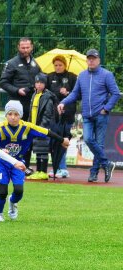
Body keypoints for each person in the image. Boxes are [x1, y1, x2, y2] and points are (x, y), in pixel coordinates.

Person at [0, 100, 69, 222]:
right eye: (10, 114)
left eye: (16, 114)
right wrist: (0, 150)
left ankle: (12, 202)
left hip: (18, 163)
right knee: (2, 192)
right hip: (2, 163)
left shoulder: (27, 127)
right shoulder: (0, 128)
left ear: (20, 115)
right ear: (6, 115)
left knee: (18, 191)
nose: (13, 117)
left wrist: (62, 140)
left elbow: (46, 132)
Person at [57, 49, 120, 183]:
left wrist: (106, 108)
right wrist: (63, 102)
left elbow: (115, 93)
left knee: (99, 145)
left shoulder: (106, 75)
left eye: (94, 58)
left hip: (101, 115)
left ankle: (93, 173)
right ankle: (106, 163)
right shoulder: (82, 75)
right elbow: (74, 94)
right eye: (89, 58)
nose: (91, 61)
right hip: (87, 115)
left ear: (99, 60)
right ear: (86, 60)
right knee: (88, 139)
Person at [0, 37, 42, 174]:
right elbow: (3, 82)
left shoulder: (36, 64)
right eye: (23, 47)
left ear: (32, 47)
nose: (25, 50)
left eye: (27, 47)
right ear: (18, 47)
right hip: (17, 106)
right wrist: (17, 90)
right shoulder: (11, 63)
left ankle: (25, 165)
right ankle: (10, 163)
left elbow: (41, 80)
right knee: (14, 136)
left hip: (33, 106)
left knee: (28, 135)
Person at [46, 55, 77, 178]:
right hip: (53, 115)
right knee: (54, 141)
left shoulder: (72, 77)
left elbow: (78, 94)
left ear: (65, 65)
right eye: (56, 65)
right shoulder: (49, 77)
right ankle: (56, 167)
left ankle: (62, 168)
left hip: (68, 114)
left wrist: (68, 93)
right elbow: (46, 93)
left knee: (64, 141)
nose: (58, 67)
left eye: (60, 65)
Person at [26, 73, 58, 180]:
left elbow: (47, 114)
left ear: (45, 84)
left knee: (43, 150)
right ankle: (38, 170)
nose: (39, 85)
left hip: (42, 128)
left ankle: (43, 171)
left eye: (41, 83)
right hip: (34, 127)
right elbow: (31, 112)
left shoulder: (47, 97)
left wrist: (42, 127)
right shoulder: (34, 95)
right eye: (37, 82)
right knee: (38, 149)